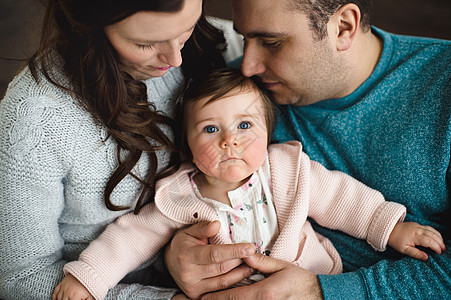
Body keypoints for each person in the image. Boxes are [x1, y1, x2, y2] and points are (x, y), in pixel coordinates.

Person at [53, 68, 445, 300]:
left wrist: (391, 227)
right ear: (187, 145)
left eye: (244, 125)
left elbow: (342, 198)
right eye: (210, 129)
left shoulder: (284, 170)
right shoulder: (180, 196)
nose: (230, 140)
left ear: (267, 131)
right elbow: (129, 237)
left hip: (313, 278)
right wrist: (88, 278)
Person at [164, 0, 451, 299]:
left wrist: (322, 292)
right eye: (245, 38)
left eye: (270, 42)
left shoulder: (443, 83)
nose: (248, 65)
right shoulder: (235, 97)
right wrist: (174, 257)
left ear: (343, 27)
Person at [0, 0, 245, 299]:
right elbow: (20, 279)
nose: (175, 58)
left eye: (186, 28)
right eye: (145, 44)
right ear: (90, 27)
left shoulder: (220, 45)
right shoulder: (35, 119)